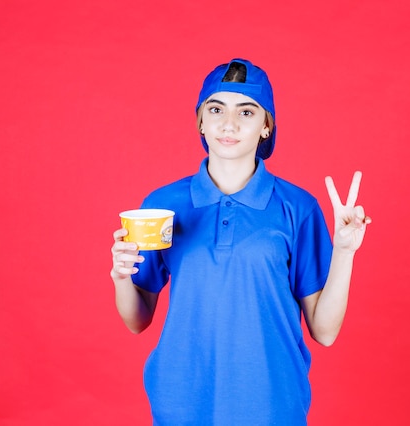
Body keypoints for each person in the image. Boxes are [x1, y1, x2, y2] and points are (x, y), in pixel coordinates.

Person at [110, 58, 371, 425]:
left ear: (266, 126)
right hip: (180, 402)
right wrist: (121, 276)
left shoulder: (298, 208)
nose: (228, 124)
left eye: (246, 112)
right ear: (200, 119)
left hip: (271, 406)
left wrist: (345, 252)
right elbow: (138, 320)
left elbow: (324, 332)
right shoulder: (163, 206)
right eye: (216, 109)